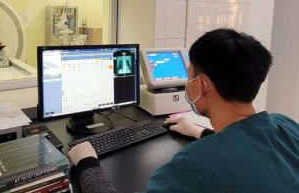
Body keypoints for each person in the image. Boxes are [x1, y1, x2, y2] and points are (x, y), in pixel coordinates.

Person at [68, 28, 299, 193]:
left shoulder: (193, 165)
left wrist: (87, 164)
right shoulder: (286, 125)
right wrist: (201, 132)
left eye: (190, 76)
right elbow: (250, 150)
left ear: (202, 85)